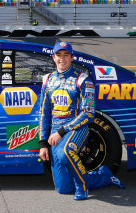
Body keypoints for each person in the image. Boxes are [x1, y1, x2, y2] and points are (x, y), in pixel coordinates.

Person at [39, 41, 124, 200]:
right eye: (59, 55)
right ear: (53, 57)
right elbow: (44, 113)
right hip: (55, 134)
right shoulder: (48, 80)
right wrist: (43, 143)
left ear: (72, 57)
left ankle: (82, 186)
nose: (62, 59)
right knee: (63, 189)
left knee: (66, 153)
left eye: (66, 55)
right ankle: (103, 176)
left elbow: (88, 113)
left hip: (76, 129)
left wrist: (62, 131)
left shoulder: (83, 80)